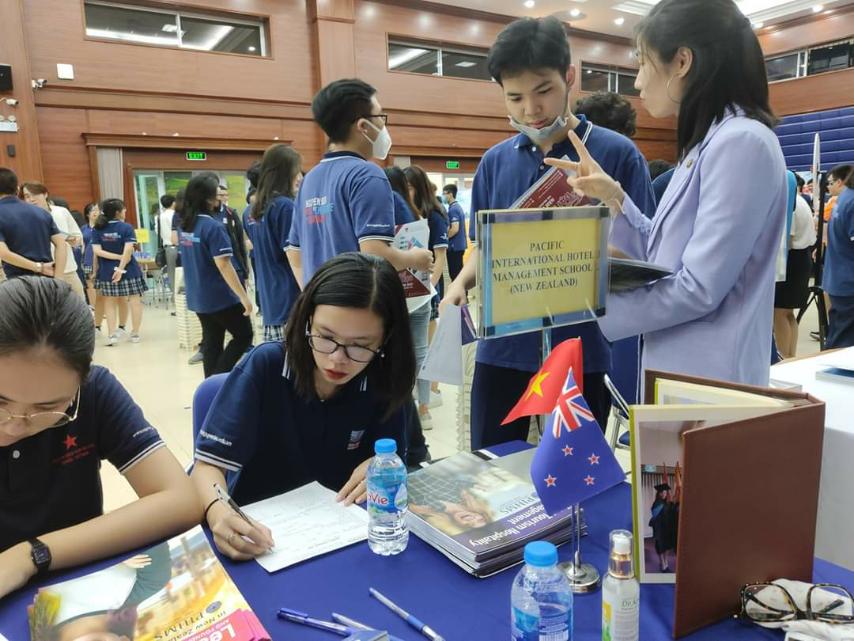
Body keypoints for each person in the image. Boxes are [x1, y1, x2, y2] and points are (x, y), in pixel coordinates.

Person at [544, 0, 787, 387]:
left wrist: (595, 303)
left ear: (682, 62)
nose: (638, 81)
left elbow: (699, 287)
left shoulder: (741, 142)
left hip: (714, 376)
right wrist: (615, 197)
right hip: (686, 367)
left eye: (642, 62)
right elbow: (664, 258)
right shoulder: (711, 141)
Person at [442, 16, 656, 450]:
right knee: (492, 465)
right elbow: (487, 245)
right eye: (514, 97)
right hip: (504, 347)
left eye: (543, 91)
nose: (530, 110)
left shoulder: (617, 154)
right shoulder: (495, 162)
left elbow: (646, 248)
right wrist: (460, 285)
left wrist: (596, 229)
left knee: (576, 476)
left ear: (570, 78)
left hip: (582, 348)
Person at [191, 253, 414, 560]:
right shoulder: (266, 367)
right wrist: (218, 512)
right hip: (259, 538)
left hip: (347, 539)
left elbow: (396, 459)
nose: (337, 358)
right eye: (325, 337)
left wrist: (379, 467)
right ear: (307, 318)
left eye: (360, 345)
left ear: (385, 340)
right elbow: (207, 467)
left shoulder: (385, 379)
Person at [0, 276, 200, 600]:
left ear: (81, 379)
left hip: (74, 580)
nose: (13, 426)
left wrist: (30, 556)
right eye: (0, 402)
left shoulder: (94, 393)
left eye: (46, 408)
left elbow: (181, 500)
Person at [286, 78, 434, 287]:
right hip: (360, 309)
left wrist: (314, 298)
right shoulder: (367, 175)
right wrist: (415, 259)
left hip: (321, 309)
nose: (383, 125)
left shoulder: (310, 178)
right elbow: (374, 253)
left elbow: (295, 254)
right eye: (380, 117)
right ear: (363, 126)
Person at [177, 172, 253, 378]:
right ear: (209, 198)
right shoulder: (213, 226)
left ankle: (210, 384)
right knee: (244, 335)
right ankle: (221, 377)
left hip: (198, 296)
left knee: (212, 341)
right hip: (219, 296)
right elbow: (224, 266)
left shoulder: (184, 225)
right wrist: (243, 297)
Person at [405, 165, 449, 428]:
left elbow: (440, 257)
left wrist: (427, 288)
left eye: (408, 187)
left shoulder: (434, 215)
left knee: (424, 346)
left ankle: (428, 397)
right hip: (404, 292)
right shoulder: (404, 213)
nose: (404, 192)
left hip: (426, 293)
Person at [247, 143, 303, 342]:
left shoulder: (258, 207)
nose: (300, 177)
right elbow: (295, 257)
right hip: (290, 298)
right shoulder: (285, 207)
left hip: (272, 300)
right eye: (297, 171)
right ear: (285, 173)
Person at [91, 198, 146, 346]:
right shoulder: (126, 227)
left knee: (109, 302)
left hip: (107, 271)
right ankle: (135, 333)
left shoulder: (97, 228)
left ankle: (112, 334)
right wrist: (121, 266)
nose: (125, 211)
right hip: (129, 269)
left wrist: (115, 260)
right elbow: (128, 250)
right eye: (124, 209)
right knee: (135, 300)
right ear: (117, 212)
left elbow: (97, 251)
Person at [21, 182, 85, 300]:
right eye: (27, 196)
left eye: (35, 194)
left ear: (45, 194)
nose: (31, 199)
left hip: (68, 269)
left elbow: (78, 237)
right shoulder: (23, 217)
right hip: (42, 271)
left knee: (79, 304)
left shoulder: (61, 212)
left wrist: (71, 239)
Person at [0, 168, 67, 281]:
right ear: (17, 189)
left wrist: (38, 267)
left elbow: (3, 253)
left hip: (16, 283)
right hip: (47, 280)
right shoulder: (42, 212)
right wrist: (59, 277)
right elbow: (61, 244)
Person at [773, 185, 816, 358]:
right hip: (802, 258)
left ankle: (784, 356)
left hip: (790, 259)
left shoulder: (790, 203)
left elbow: (787, 239)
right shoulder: (802, 201)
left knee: (779, 312)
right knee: (788, 313)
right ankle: (790, 355)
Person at [823, 169, 854, 348]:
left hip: (840, 279)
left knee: (838, 339)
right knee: (843, 348)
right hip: (848, 284)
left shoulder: (844, 197)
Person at [216, 184, 250, 288]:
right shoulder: (208, 215)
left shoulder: (230, 212)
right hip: (219, 263)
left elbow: (239, 240)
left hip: (235, 262)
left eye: (227, 195)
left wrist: (245, 268)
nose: (225, 198)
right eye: (222, 195)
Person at [648, 483, 678, 572]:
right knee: (661, 547)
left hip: (666, 529)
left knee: (666, 547)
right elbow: (655, 514)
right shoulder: (657, 503)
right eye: (663, 492)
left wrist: (674, 504)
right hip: (660, 530)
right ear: (659, 493)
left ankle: (666, 563)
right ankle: (663, 565)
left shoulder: (666, 503)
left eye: (665, 492)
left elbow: (670, 512)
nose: (664, 494)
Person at [157, 194, 178, 304]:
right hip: (178, 247)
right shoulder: (175, 215)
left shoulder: (161, 216)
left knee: (172, 274)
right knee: (181, 274)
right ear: (173, 203)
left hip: (167, 248)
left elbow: (158, 233)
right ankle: (182, 302)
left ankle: (175, 301)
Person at [443, 184, 467, 281]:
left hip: (454, 248)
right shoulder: (456, 207)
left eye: (445, 194)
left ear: (451, 194)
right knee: (458, 274)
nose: (443, 196)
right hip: (458, 247)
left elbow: (454, 229)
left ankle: (461, 295)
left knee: (455, 275)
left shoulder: (453, 209)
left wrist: (444, 238)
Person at [81, 203, 100, 317]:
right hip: (87, 258)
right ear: (88, 214)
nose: (96, 212)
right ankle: (94, 308)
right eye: (93, 210)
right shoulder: (84, 228)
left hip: (101, 259)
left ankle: (102, 308)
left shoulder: (103, 226)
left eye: (97, 210)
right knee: (90, 285)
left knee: (101, 285)